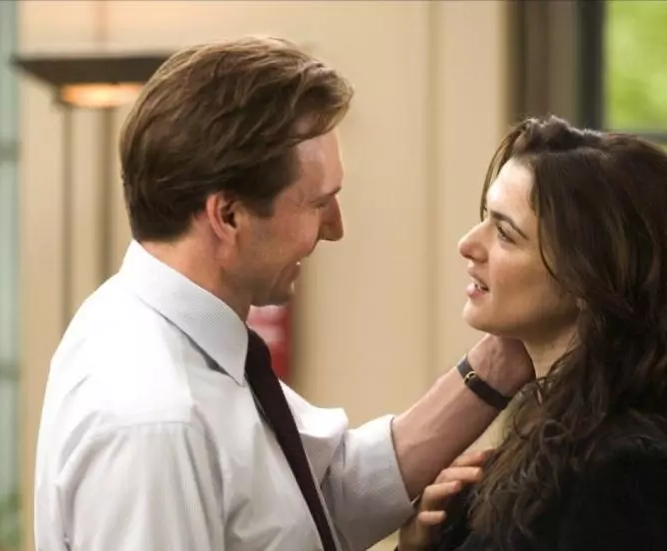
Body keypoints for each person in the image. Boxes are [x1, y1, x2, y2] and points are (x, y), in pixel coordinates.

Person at [33, 36, 533, 551]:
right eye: (318, 203)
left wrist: (500, 361)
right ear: (228, 216)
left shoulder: (168, 340)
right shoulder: (156, 422)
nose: (335, 228)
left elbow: (322, 499)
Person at [399, 116, 667, 551]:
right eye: (485, 218)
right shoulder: (549, 436)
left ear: (586, 278)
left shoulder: (626, 473)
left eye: (505, 233)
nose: (468, 244)